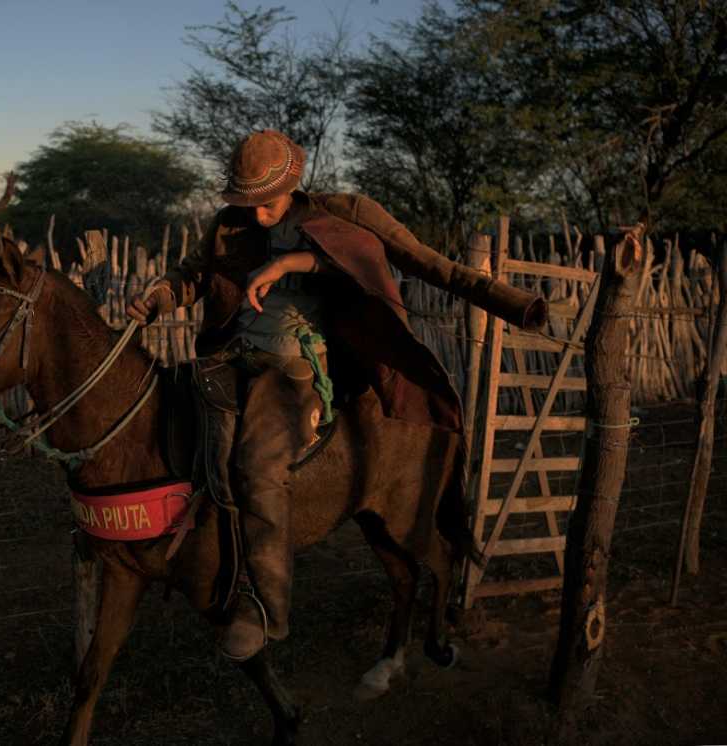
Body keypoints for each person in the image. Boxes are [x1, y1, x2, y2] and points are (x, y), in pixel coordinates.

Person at [126, 129, 544, 662]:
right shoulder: (231, 224)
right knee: (185, 446)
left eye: (267, 204)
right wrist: (160, 294)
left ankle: (267, 607)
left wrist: (512, 304)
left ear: (293, 187)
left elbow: (419, 261)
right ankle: (206, 566)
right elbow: (195, 274)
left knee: (258, 467)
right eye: (246, 204)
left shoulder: (344, 214)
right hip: (227, 356)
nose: (257, 216)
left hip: (294, 369)